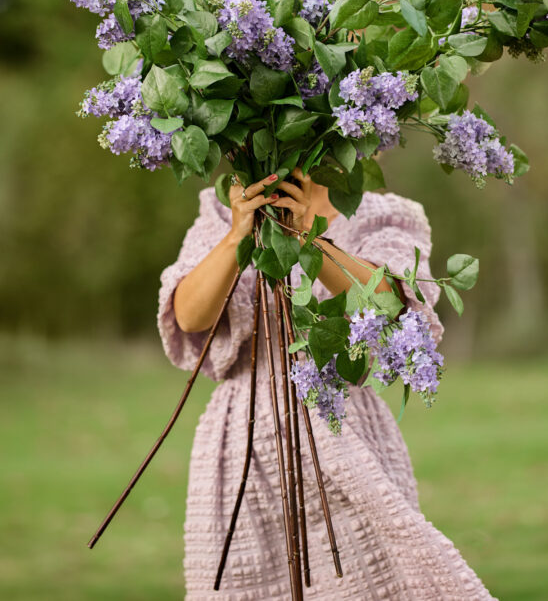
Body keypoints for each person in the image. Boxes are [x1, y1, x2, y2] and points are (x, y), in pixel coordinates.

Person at [157, 167, 497, 600]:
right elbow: (188, 316)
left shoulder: (382, 213)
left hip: (345, 427)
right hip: (242, 445)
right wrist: (236, 234)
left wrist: (307, 239)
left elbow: (389, 305)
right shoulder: (225, 208)